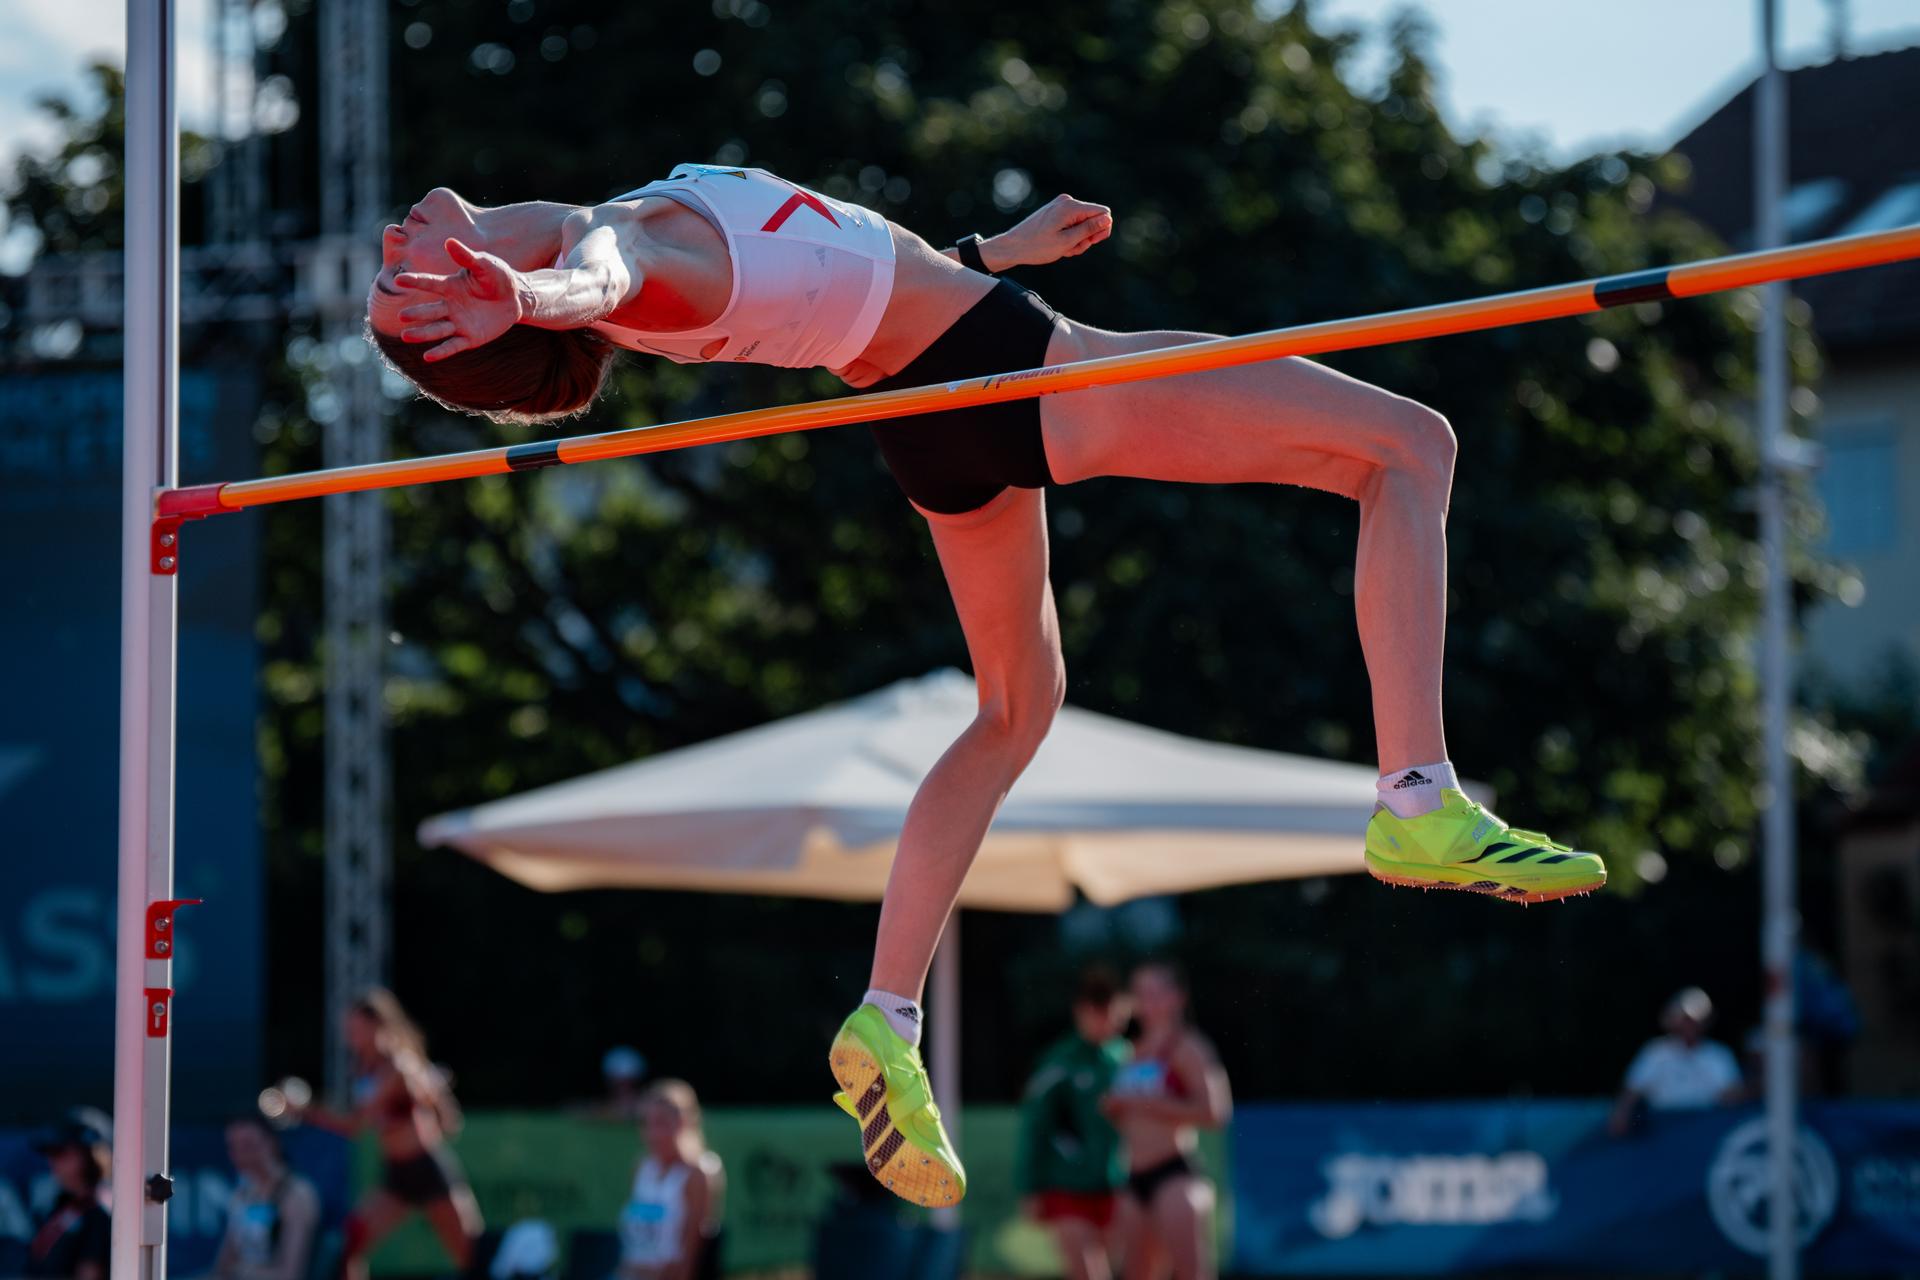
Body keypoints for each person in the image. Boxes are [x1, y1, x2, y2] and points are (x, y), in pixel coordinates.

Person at [367, 161, 1608, 1204]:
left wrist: (994, 249)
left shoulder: (630, 246)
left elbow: (848, 271)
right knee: (1410, 444)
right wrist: (528, 289)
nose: (392, 237)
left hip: (932, 396)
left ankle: (887, 1017)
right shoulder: (618, 256)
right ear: (483, 300)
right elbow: (601, 268)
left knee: (1018, 705)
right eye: (401, 278)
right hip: (1012, 368)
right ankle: (1416, 790)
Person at [289, 990, 483, 1277]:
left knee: (472, 1256)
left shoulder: (398, 1066)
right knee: (348, 1245)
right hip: (397, 1174)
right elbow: (362, 1121)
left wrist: (305, 1111)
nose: (350, 1034)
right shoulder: (364, 1068)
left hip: (426, 1168)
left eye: (357, 1027)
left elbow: (356, 1124)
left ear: (377, 1026)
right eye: (349, 1028)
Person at [1102, 964, 1230, 1280]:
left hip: (1174, 1172)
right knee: (1137, 1272)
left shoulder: (1189, 1048)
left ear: (1177, 998)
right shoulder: (1131, 1053)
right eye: (1141, 993)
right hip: (1133, 1175)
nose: (1148, 1000)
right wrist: (1116, 1108)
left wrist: (1147, 1104)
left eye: (1156, 992)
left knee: (1191, 1271)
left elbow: (1215, 1112)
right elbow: (1130, 1118)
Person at [1015, 969, 1133, 1280]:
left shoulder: (1128, 1060)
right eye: (1099, 1012)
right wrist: (1030, 1188)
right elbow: (1035, 1126)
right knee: (1088, 1274)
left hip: (1117, 1185)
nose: (1108, 1020)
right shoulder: (1058, 1062)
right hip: (1065, 1184)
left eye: (1114, 1012)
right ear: (1081, 1011)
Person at [615, 1080, 725, 1280]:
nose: (652, 1133)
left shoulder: (698, 1174)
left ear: (683, 1122)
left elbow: (691, 1256)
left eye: (661, 1122)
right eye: (647, 1122)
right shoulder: (641, 1167)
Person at [1609, 986, 1746, 1136]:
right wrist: (1621, 1114)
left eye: (1695, 1020)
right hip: (1662, 1126)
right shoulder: (1655, 1052)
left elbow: (1731, 1094)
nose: (1690, 1025)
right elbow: (1632, 1089)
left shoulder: (1718, 1054)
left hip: (1705, 1125)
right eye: (1685, 1019)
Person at [205, 1115, 321, 1280]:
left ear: (271, 1143)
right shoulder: (241, 1195)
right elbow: (222, 1266)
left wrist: (240, 1272)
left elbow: (291, 1274)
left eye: (248, 1145)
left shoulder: (296, 1195)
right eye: (233, 1147)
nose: (240, 1155)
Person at [24, 1108, 112, 1280]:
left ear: (90, 1155)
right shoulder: (62, 1204)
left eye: (61, 1152)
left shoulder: (99, 1213)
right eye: (51, 1154)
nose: (53, 1162)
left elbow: (89, 1273)